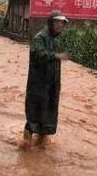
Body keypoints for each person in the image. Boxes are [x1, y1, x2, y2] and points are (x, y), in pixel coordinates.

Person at [23, 10, 69, 148]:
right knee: (34, 116)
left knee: (48, 116)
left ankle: (41, 146)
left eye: (62, 23)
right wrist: (56, 56)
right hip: (38, 85)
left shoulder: (55, 39)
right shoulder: (40, 38)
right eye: (57, 22)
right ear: (50, 23)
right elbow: (39, 54)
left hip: (52, 86)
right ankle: (25, 146)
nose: (60, 25)